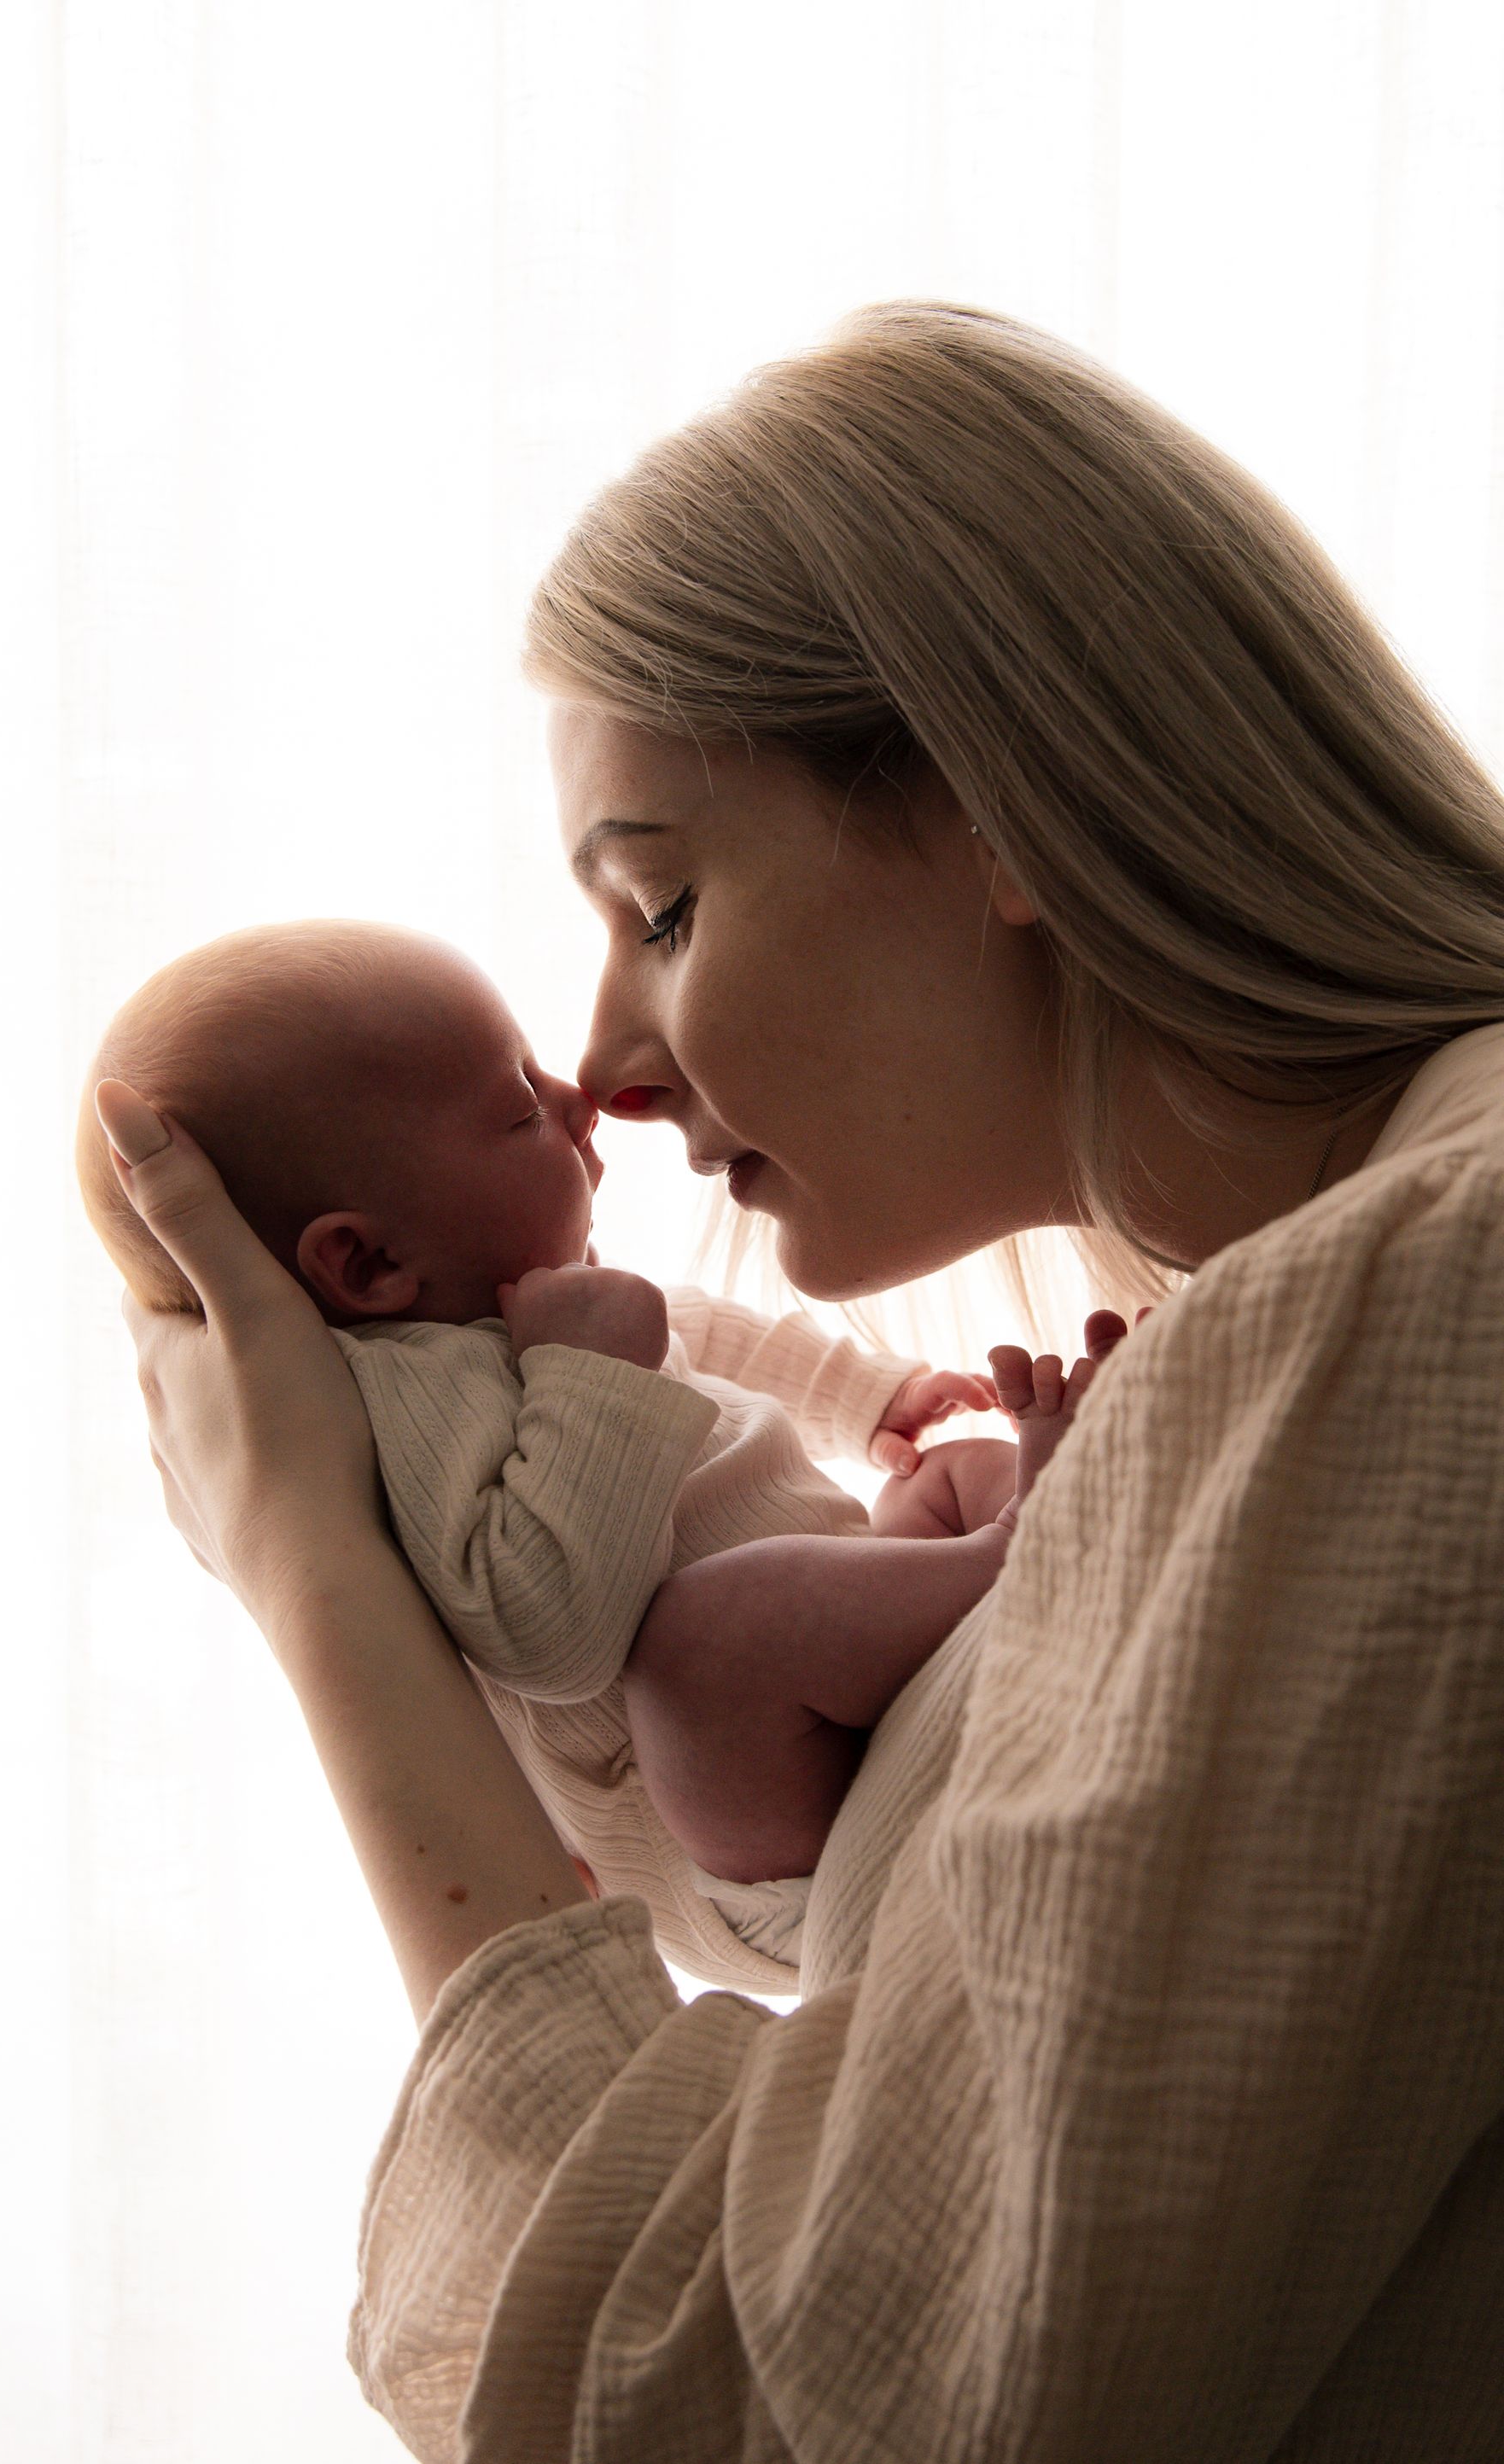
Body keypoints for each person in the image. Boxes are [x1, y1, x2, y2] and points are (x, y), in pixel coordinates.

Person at [95, 303, 1504, 2458]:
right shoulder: (1316, 1310)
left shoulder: (1423, 1289)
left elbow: (771, 2402)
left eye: (656, 903)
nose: (600, 1069)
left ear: (1004, 812)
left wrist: (330, 1599)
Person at [79, 917, 1122, 1983]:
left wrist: (871, 1398)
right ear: (369, 1259)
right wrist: (595, 1374)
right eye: (522, 1106)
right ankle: (1012, 1551)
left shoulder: (540, 1312)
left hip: (830, 1687)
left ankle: (1012, 1531)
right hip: (746, 1814)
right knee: (701, 1643)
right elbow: (544, 1631)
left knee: (948, 1476)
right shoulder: (396, 1404)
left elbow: (700, 1329)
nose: (578, 1097)